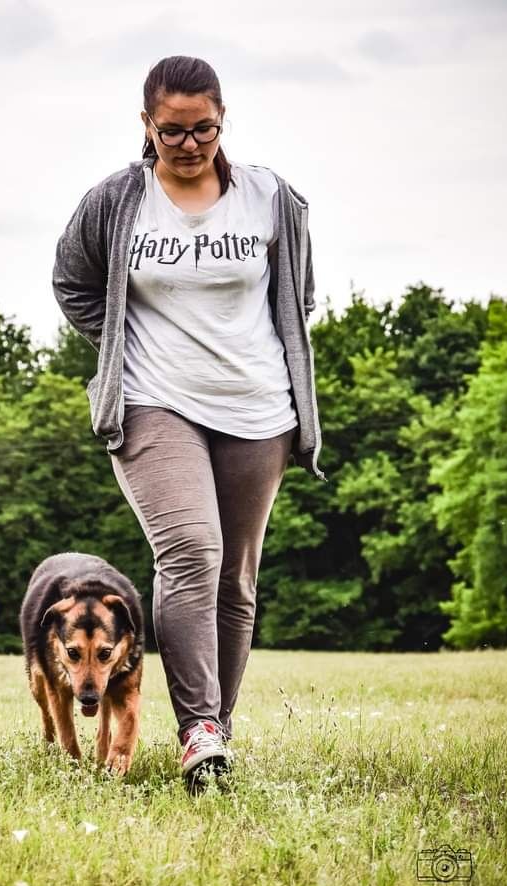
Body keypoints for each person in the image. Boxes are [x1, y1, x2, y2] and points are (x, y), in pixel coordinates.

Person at [52, 55, 325, 790]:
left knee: (236, 578)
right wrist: (121, 342)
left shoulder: (269, 197)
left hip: (256, 408)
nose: (188, 143)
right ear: (147, 125)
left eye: (203, 127)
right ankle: (198, 725)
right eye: (171, 130)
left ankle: (215, 734)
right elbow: (71, 281)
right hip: (153, 401)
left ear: (222, 118)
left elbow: (298, 297)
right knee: (191, 554)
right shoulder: (116, 200)